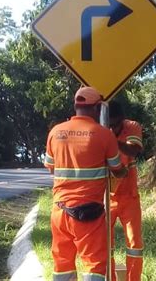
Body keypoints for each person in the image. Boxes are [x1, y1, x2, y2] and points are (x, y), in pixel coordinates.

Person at [44, 86, 126, 281]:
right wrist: (123, 171)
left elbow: (50, 167)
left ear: (75, 106)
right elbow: (117, 168)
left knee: (62, 263)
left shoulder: (56, 132)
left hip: (60, 211)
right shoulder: (104, 135)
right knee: (94, 264)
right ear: (97, 108)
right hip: (89, 213)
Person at [109, 100, 144, 281]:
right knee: (107, 246)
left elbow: (134, 150)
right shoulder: (100, 129)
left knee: (134, 245)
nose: (113, 128)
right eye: (110, 124)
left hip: (129, 196)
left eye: (116, 124)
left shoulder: (132, 126)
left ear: (122, 120)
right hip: (106, 198)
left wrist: (112, 141)